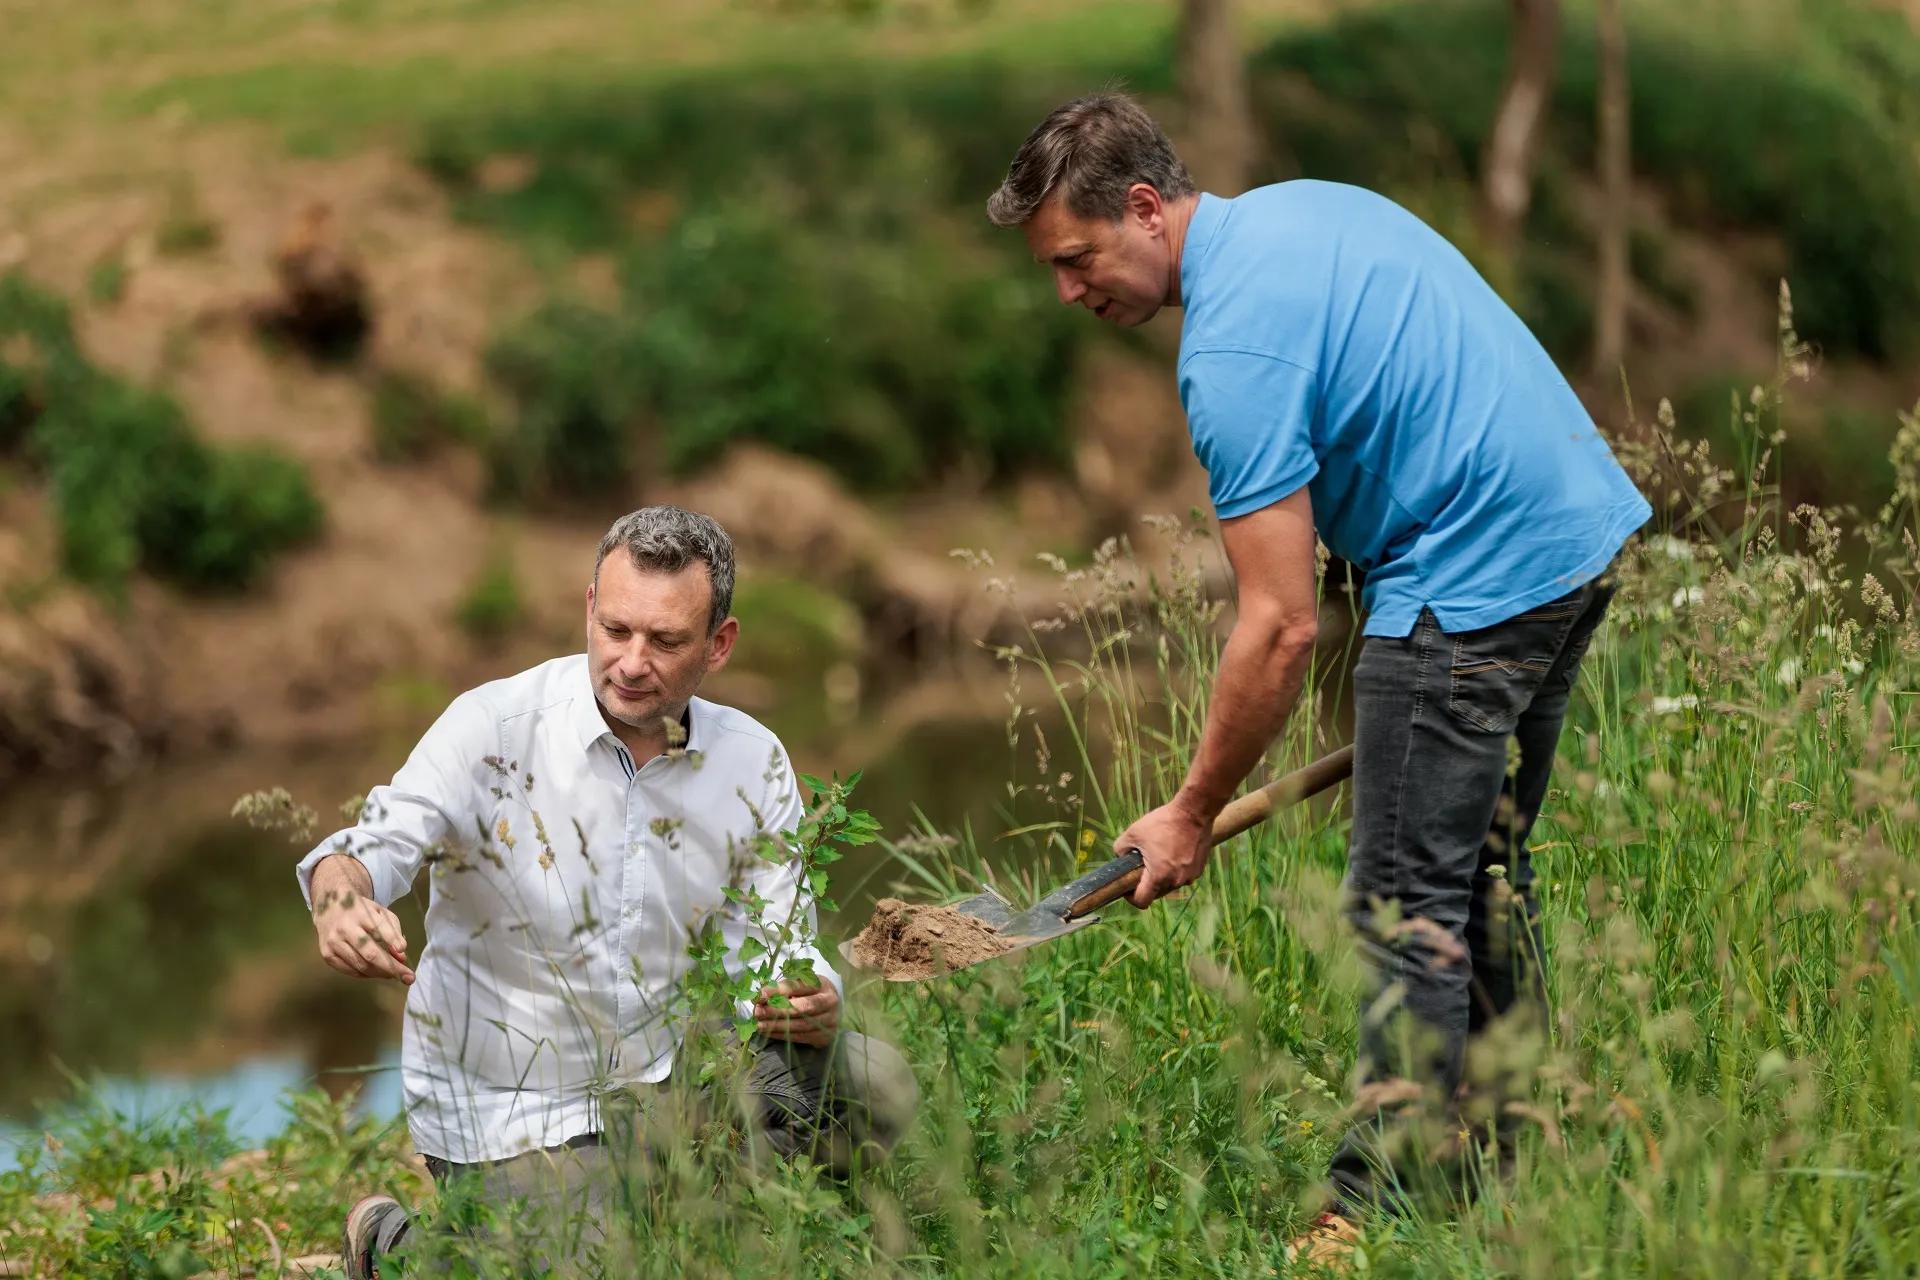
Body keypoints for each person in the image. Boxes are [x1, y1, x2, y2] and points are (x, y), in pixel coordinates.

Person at [985, 94, 1650, 1261]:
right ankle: (1525, 1145)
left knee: (1401, 900)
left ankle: (1377, 1203)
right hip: (1568, 536)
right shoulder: (1301, 212)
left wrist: (1189, 811)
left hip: (1472, 571)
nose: (1068, 291)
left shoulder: (1233, 352)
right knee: (1476, 871)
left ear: (1145, 209)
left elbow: (1281, 627)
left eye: (1078, 258)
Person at [297, 506, 919, 1277]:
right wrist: (341, 896)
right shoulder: (491, 728)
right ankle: (395, 1246)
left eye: (664, 642)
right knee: (599, 1264)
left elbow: (777, 944)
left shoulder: (752, 761)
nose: (631, 661)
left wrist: (809, 995)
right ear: (589, 608)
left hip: (669, 1078)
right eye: (616, 629)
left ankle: (703, 1223)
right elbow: (366, 848)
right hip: (511, 1109)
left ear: (718, 644)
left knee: (874, 1086)